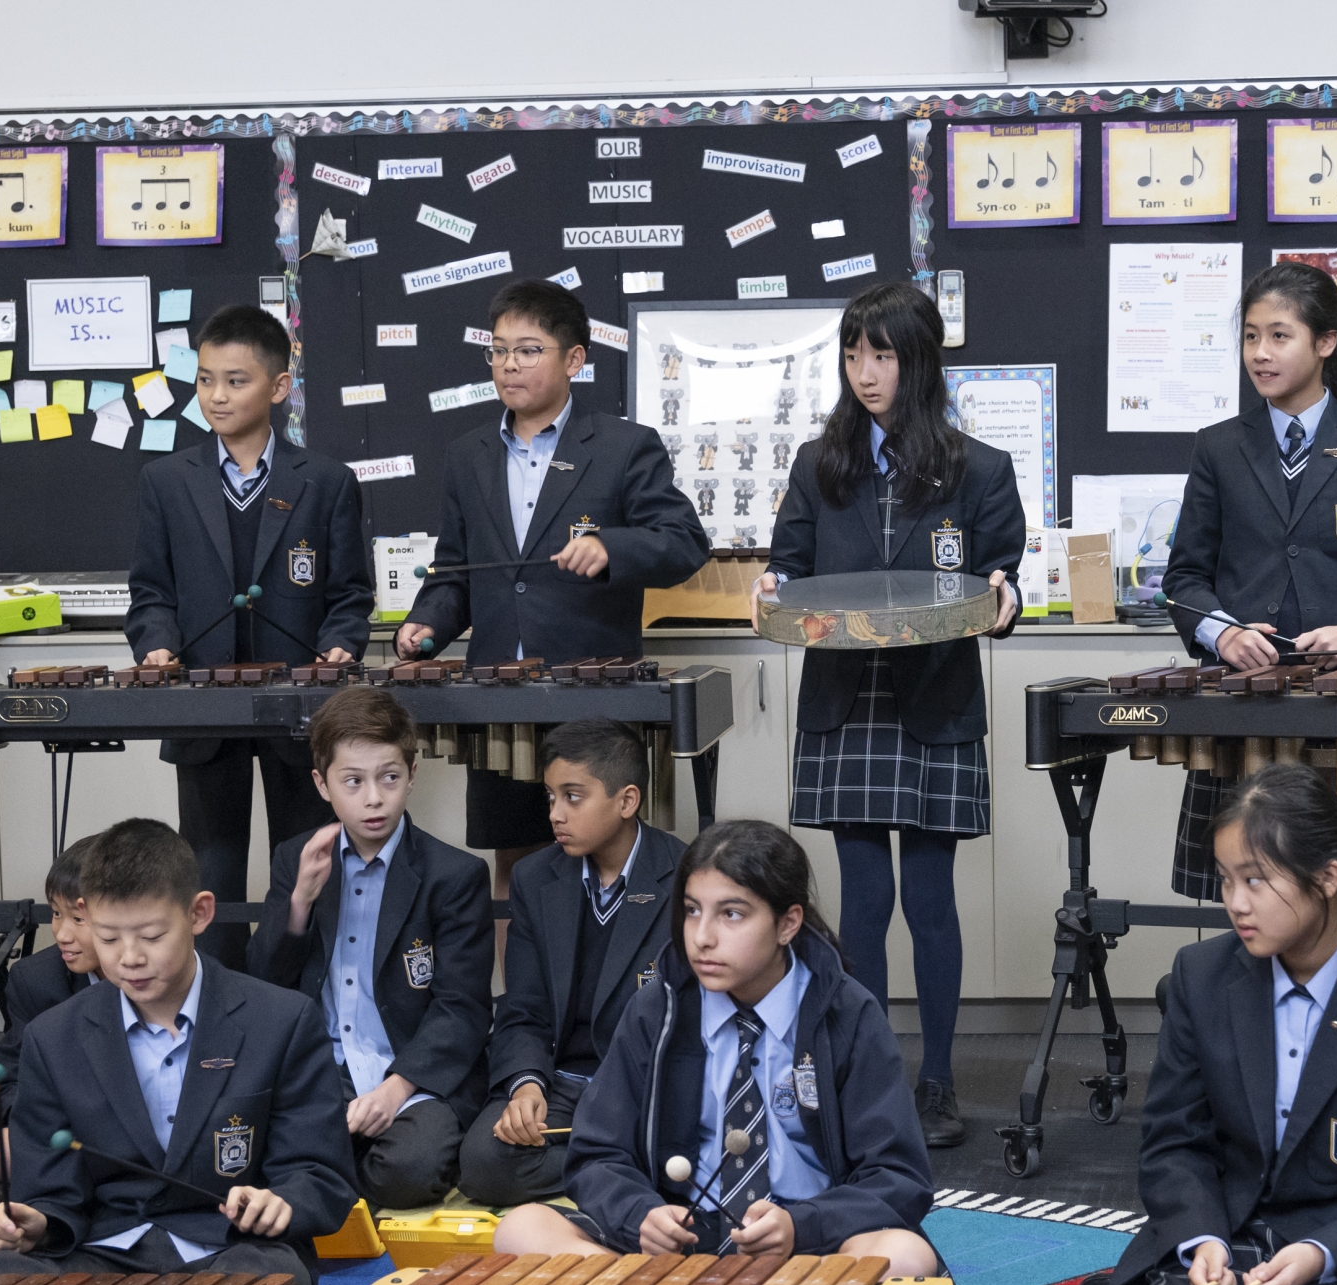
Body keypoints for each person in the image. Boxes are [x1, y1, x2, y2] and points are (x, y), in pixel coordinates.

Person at [750, 280, 1023, 1148]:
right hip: (845, 702)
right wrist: (768, 585)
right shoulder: (816, 463)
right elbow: (788, 563)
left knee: (931, 901)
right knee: (861, 902)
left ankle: (938, 1080)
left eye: (884, 354)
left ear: (921, 360)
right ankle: (859, 1075)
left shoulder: (981, 468)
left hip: (935, 700)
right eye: (854, 353)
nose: (866, 372)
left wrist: (1006, 594)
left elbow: (1000, 576)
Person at [1080, 766, 1337, 1285]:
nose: (1236, 903)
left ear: (1328, 877)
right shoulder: (1200, 977)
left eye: (1256, 880)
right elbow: (1175, 1142)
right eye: (1225, 879)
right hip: (1221, 1230)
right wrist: (1202, 1239)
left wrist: (1321, 1253)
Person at [493, 820, 936, 1277]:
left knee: (905, 1257)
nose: (702, 937)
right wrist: (641, 1216)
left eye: (732, 914)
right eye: (690, 910)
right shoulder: (657, 1010)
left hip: (811, 1243)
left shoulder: (847, 1013)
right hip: (682, 1246)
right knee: (520, 1229)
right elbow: (596, 1153)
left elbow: (898, 1177)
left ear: (788, 923)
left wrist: (802, 1225)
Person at [0, 818, 358, 1285]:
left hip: (229, 1250)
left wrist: (280, 1202)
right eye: (109, 939)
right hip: (101, 1252)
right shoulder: (53, 1036)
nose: (129, 957)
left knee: (271, 1282)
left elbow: (321, 1173)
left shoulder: (281, 1020)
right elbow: (52, 1190)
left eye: (150, 936)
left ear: (199, 913)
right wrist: (38, 1222)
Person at [396, 278, 707, 880]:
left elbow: (684, 542)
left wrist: (610, 547)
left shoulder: (624, 447)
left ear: (574, 360)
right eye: (499, 349)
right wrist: (424, 623)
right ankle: (523, 980)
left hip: (591, 695)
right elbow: (455, 570)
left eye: (529, 349)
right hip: (496, 698)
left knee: (605, 864)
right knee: (516, 870)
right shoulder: (468, 454)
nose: (509, 364)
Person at [1160, 262, 1337, 899]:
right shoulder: (1217, 448)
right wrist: (1220, 631)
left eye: (1279, 336)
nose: (1260, 353)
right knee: (1244, 893)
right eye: (1251, 337)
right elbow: (1183, 577)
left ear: (1324, 343)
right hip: (1242, 703)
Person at [126, 304, 371, 970]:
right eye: (205, 380)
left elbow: (351, 593)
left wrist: (342, 643)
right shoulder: (167, 482)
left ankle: (305, 1006)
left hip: (301, 713)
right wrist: (156, 643)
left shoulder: (326, 481)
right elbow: (151, 591)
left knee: (307, 868)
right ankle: (220, 1007)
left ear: (279, 387)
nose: (216, 396)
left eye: (235, 381)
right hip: (204, 710)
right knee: (210, 874)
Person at [251, 687, 492, 1210]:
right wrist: (299, 903)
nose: (374, 798)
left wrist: (395, 1089)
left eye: (389, 777)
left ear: (412, 775)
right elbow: (266, 984)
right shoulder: (298, 858)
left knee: (409, 1170)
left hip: (412, 1072)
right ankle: (328, 1169)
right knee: (252, 1151)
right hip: (326, 1069)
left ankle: (328, 1178)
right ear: (322, 784)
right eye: (353, 782)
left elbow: (462, 1008)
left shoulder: (455, 875)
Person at [461, 717, 684, 1210]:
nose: (555, 815)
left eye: (573, 797)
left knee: (689, 1141)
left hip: (644, 1086)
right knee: (483, 1163)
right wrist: (525, 1086)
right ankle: (619, 1166)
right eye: (550, 797)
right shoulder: (534, 878)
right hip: (561, 1083)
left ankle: (614, 1156)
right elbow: (523, 1008)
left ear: (627, 801)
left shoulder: (684, 878)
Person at [0, 835, 102, 1219]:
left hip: (134, 1135)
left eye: (78, 918)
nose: (62, 933)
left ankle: (19, 1198)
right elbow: (12, 1079)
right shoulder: (36, 979)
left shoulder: (158, 979)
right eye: (55, 913)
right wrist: (47, 1121)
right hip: (64, 1133)